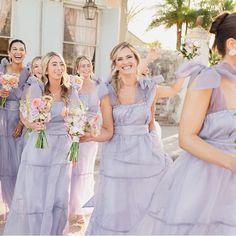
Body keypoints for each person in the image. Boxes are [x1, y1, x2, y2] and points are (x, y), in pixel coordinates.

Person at [130, 12, 236, 235]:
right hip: (208, 181)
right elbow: (186, 138)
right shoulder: (208, 79)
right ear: (232, 44)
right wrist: (232, 162)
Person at [85, 42, 185, 235]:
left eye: (128, 57)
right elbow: (108, 131)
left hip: (146, 155)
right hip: (117, 157)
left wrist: (187, 65)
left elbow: (151, 124)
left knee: (145, 204)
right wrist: (90, 136)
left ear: (136, 59)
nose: (125, 62)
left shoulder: (149, 87)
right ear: (115, 63)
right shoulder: (108, 91)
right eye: (119, 59)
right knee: (118, 208)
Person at [3, 52, 76, 235]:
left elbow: (77, 117)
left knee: (59, 196)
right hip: (40, 146)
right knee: (37, 194)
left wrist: (76, 134)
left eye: (61, 64)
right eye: (54, 64)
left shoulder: (71, 90)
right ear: (46, 69)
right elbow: (24, 113)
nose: (59, 68)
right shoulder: (37, 88)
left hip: (62, 148)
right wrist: (31, 123)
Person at [69, 56, 107, 225]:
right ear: (77, 69)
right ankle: (71, 206)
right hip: (74, 131)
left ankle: (81, 209)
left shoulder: (98, 86)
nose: (85, 68)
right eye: (82, 66)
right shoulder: (72, 86)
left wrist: (93, 125)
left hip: (90, 133)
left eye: (88, 65)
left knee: (86, 170)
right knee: (73, 170)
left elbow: (101, 109)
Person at [0, 39, 29, 218]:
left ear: (25, 53)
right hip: (2, 118)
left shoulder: (28, 73)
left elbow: (28, 100)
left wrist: (21, 123)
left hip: (20, 120)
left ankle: (16, 205)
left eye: (21, 49)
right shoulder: (1, 70)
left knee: (17, 163)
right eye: (15, 49)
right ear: (9, 52)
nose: (18, 52)